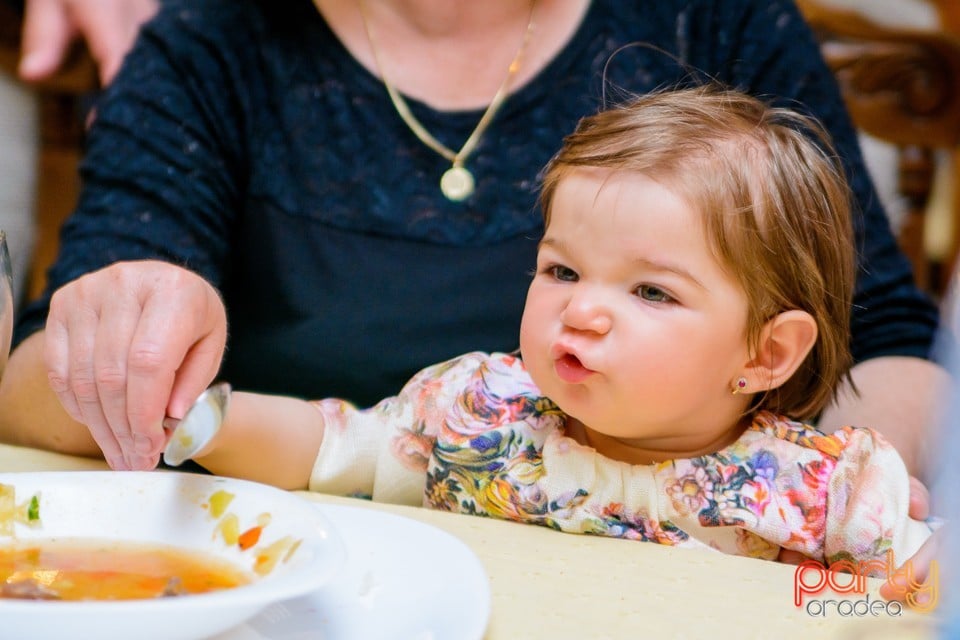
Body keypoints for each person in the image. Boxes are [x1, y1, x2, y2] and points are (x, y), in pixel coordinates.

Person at [173, 86, 935, 568]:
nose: (581, 311)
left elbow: (905, 607)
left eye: (651, 292)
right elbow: (325, 445)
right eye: (563, 271)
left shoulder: (829, 493)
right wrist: (209, 420)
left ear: (766, 353)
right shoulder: (474, 413)